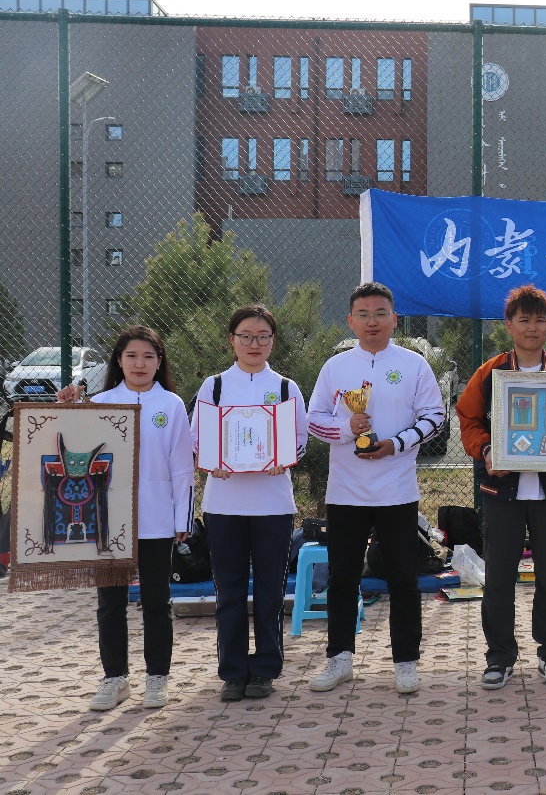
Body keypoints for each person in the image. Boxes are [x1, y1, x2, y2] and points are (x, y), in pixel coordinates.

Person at [306, 282, 446, 694]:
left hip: (397, 491)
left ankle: (406, 662)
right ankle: (339, 659)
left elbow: (435, 416)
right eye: (364, 315)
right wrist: (347, 428)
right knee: (342, 579)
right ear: (351, 321)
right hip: (345, 492)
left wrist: (395, 445)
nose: (372, 322)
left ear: (394, 319)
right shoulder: (335, 367)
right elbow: (313, 421)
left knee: (403, 580)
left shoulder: (414, 365)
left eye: (380, 313)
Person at [456, 285, 546, 690]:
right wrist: (486, 451)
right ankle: (499, 658)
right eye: (524, 320)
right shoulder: (490, 373)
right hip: (502, 494)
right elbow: (468, 420)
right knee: (499, 578)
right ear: (508, 325)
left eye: (540, 320)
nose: (532, 328)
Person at [57, 326, 194, 711]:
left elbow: (182, 466)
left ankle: (157, 678)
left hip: (156, 518)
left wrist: (182, 517)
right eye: (131, 356)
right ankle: (115, 678)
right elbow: (68, 448)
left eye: (148, 356)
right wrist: (66, 407)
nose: (139, 364)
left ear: (159, 362)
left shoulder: (171, 405)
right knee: (110, 602)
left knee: (156, 601)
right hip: (107, 521)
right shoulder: (99, 403)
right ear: (118, 360)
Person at [192, 305, 308, 701]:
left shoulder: (286, 388)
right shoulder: (214, 387)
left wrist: (284, 458)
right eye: (245, 336)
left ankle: (265, 670)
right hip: (223, 503)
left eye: (262, 336)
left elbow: (300, 439)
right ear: (232, 340)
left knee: (271, 592)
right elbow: (197, 438)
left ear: (273, 341)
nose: (254, 344)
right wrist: (212, 461)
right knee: (229, 590)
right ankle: (233, 671)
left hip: (273, 504)